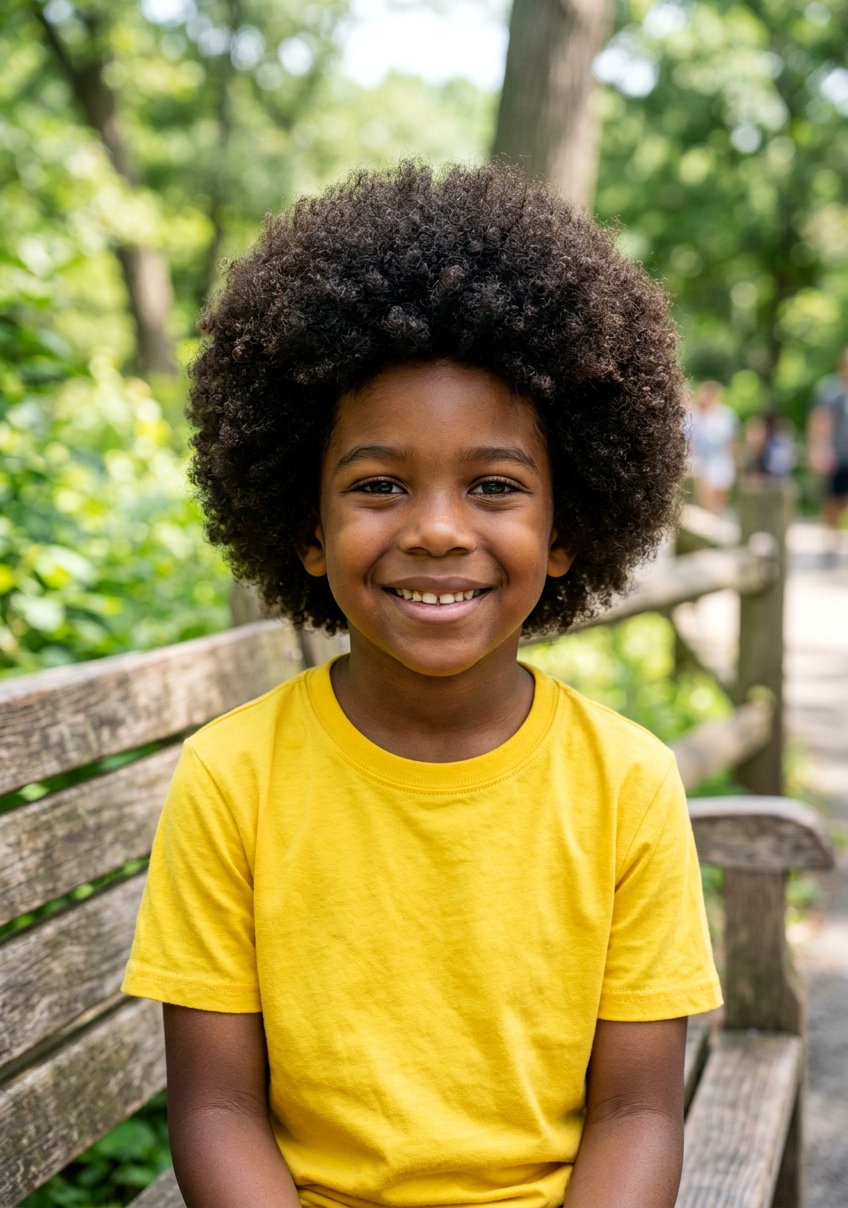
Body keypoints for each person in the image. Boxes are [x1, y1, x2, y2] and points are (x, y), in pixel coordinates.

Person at [123, 162, 721, 1208]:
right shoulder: (232, 778)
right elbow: (216, 1110)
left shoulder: (626, 782)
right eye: (378, 484)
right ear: (308, 528)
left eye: (493, 485)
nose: (437, 529)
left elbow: (635, 1113)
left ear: (566, 526)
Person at [807, 347, 848, 560]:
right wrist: (818, 449)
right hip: (836, 455)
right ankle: (831, 540)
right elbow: (818, 420)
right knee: (834, 499)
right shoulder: (830, 389)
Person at [685, 380, 739, 513]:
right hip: (701, 461)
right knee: (706, 495)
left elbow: (731, 441)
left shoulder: (725, 415)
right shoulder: (694, 415)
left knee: (720, 498)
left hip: (721, 461)